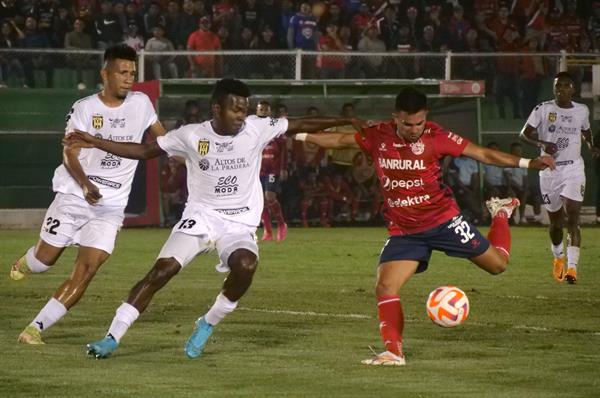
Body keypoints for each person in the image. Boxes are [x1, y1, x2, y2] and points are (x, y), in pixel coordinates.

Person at [63, 78, 357, 359]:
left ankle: (208, 322)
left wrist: (344, 121)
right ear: (217, 109)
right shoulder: (191, 135)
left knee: (246, 265)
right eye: (236, 109)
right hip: (201, 217)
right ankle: (111, 337)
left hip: (239, 223)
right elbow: (143, 151)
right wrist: (94, 140)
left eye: (245, 109)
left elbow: (300, 124)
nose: (242, 115)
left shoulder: (257, 128)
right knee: (161, 272)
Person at [294, 87, 554, 366]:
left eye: (419, 123)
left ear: (425, 117)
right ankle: (394, 353)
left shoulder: (437, 136)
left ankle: (501, 213)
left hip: (443, 221)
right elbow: (341, 140)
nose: (414, 129)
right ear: (396, 117)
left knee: (498, 265)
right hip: (405, 230)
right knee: (385, 286)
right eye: (407, 124)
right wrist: (297, 135)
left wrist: (529, 162)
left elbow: (482, 154)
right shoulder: (378, 135)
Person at [10, 44, 166, 345]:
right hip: (74, 195)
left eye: (132, 73)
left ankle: (34, 328)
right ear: (105, 74)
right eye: (122, 72)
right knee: (44, 262)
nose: (128, 78)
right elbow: (69, 153)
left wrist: (189, 154)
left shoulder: (142, 103)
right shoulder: (84, 108)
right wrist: (85, 185)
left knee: (87, 269)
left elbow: (163, 138)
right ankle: (25, 263)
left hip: (111, 206)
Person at [520, 71, 599, 284]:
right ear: (553, 88)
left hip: (574, 169)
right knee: (556, 223)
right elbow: (524, 133)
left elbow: (586, 130)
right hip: (549, 170)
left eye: (565, 85)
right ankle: (558, 257)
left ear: (572, 88)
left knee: (572, 216)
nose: (561, 89)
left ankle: (572, 269)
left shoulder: (582, 110)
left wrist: (591, 145)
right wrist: (542, 144)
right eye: (557, 86)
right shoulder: (543, 109)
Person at [256, 101, 288, 242]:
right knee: (261, 201)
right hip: (258, 170)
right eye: (260, 109)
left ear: (269, 112)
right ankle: (268, 231)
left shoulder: (276, 130)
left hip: (272, 169)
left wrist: (283, 168)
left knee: (270, 196)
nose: (262, 112)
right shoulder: (253, 129)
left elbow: (284, 151)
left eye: (265, 110)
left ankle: (281, 225)